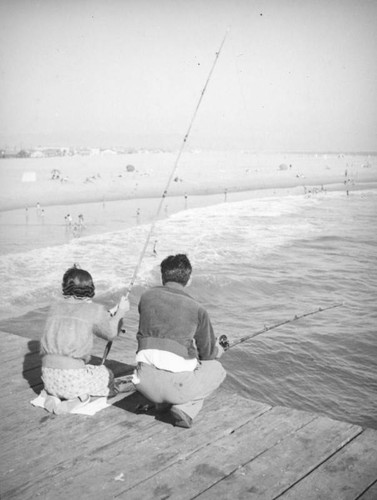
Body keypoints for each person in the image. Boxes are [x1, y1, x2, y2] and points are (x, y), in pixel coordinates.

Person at [132, 254, 226, 428]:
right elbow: (207, 355)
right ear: (188, 280)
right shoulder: (197, 309)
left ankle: (161, 404)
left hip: (142, 382)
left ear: (163, 276)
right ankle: (186, 409)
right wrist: (218, 350)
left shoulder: (146, 297)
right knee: (217, 369)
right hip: (177, 388)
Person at [40, 265, 129, 406]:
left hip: (48, 378)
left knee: (76, 373)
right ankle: (80, 398)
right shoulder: (94, 309)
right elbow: (111, 333)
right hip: (72, 380)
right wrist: (121, 313)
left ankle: (54, 395)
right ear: (90, 287)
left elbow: (77, 314)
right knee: (108, 374)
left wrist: (110, 315)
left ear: (65, 286)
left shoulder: (55, 307)